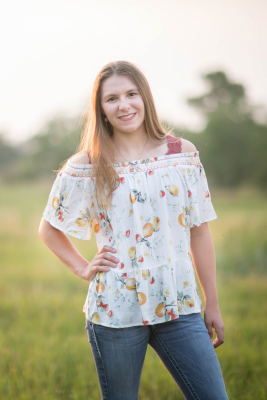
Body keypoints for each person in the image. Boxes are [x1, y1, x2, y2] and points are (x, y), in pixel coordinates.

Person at [38, 60, 229, 400]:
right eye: (112, 99)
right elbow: (49, 228)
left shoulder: (181, 155)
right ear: (102, 109)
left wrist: (211, 303)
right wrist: (83, 267)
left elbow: (199, 231)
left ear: (145, 98)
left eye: (131, 94)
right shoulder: (87, 165)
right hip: (115, 311)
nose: (124, 105)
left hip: (179, 304)